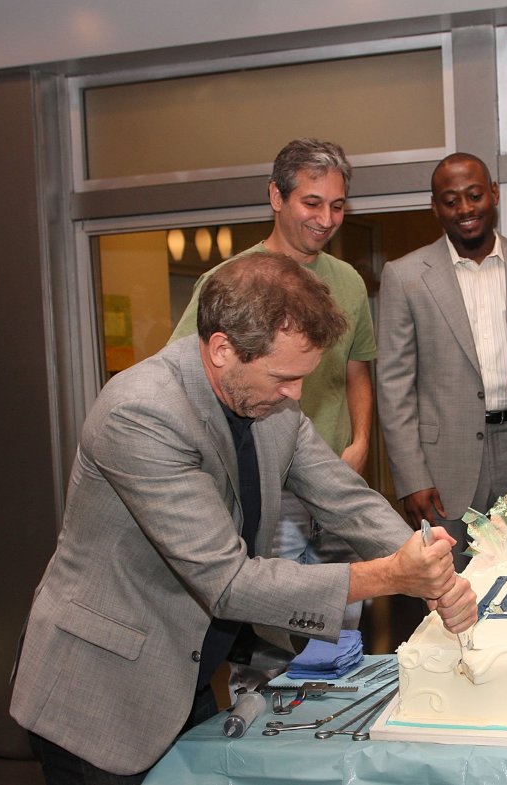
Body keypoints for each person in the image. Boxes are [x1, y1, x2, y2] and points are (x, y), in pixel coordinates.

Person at [11, 253, 476, 783]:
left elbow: (346, 499)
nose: (295, 394)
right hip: (100, 690)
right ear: (222, 349)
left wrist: (429, 565)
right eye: (283, 377)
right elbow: (228, 582)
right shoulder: (141, 412)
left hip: (185, 673)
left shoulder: (270, 402)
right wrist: (392, 575)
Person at [170, 138, 376, 627]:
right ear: (276, 196)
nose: (326, 219)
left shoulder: (348, 281)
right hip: (267, 487)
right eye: (312, 203)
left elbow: (357, 368)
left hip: (334, 479)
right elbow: (185, 377)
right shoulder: (228, 282)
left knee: (343, 625)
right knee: (269, 631)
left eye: (337, 206)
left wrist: (361, 442)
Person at [377, 153, 507, 569]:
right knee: (448, 583)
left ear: (494, 194)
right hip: (442, 467)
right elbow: (394, 386)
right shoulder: (405, 275)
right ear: (435, 207)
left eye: (474, 195)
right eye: (451, 201)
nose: (465, 209)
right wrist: (412, 478)